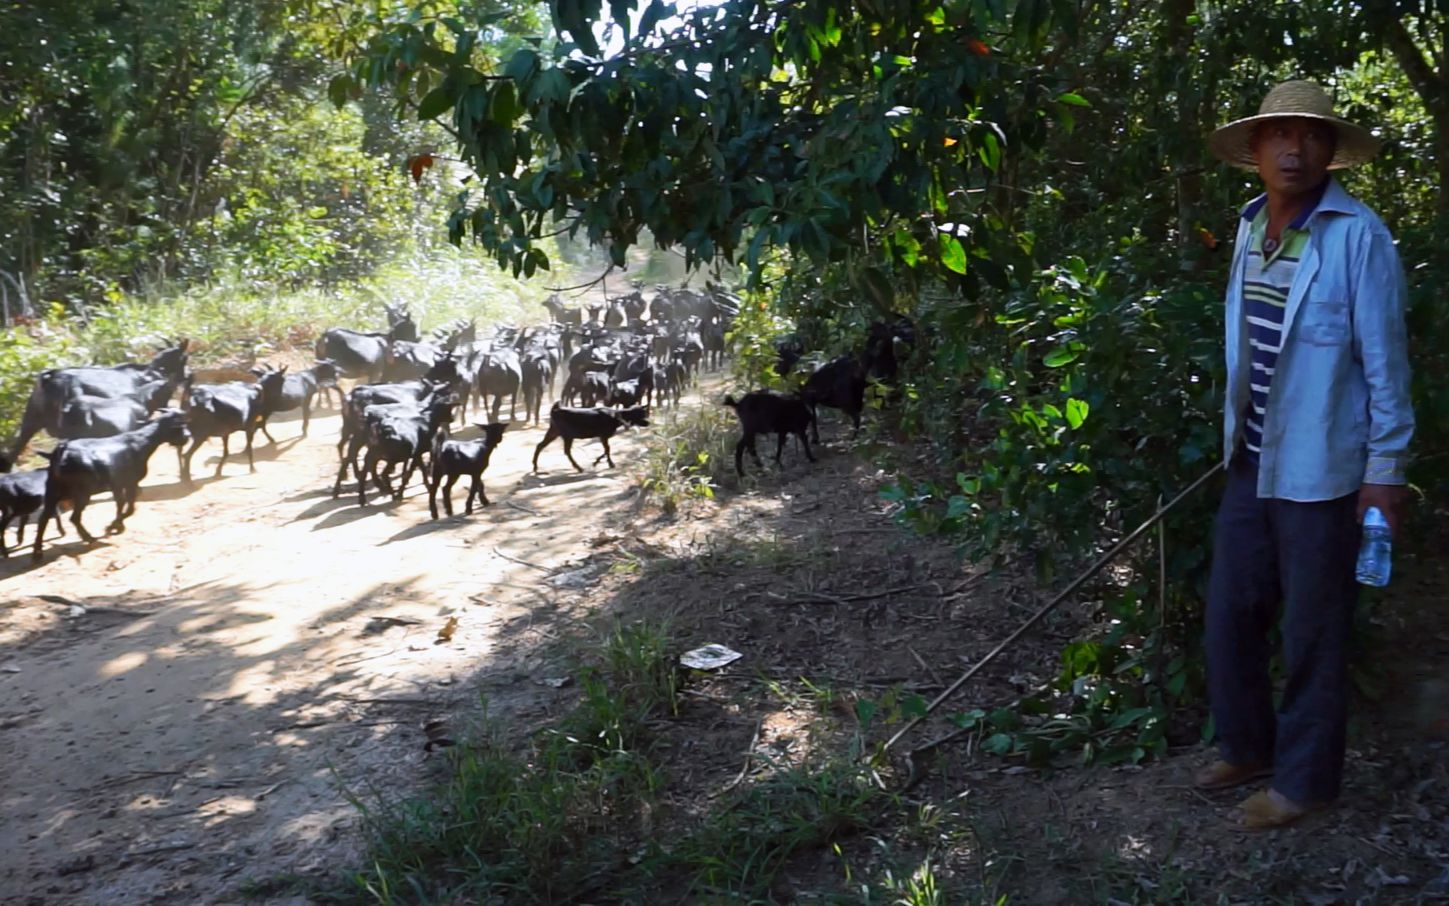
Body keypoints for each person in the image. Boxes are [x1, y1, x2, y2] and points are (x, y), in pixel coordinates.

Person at [1196, 80, 1414, 829]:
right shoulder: (1251, 223)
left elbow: (1385, 364)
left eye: (1311, 136)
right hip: (1253, 461)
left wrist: (1384, 473)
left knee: (1312, 631)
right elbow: (1249, 346)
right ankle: (1248, 746)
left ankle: (1304, 782)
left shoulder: (1358, 237)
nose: (1294, 149)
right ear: (1254, 150)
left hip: (1324, 472)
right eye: (1279, 135)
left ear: (1330, 151)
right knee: (1229, 613)